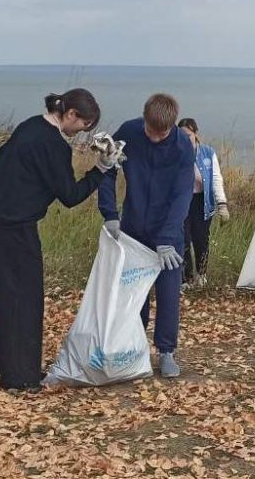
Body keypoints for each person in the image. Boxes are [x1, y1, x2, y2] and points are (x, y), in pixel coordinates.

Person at [0, 89, 121, 392]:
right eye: (82, 125)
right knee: (25, 293)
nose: (81, 133)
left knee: (6, 289)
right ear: (71, 114)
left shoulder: (31, 125)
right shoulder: (52, 145)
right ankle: (20, 376)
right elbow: (70, 196)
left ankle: (9, 364)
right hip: (15, 223)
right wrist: (101, 170)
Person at [98, 94, 195, 378]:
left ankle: (166, 351)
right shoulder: (129, 132)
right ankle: (135, 345)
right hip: (133, 228)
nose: (154, 138)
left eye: (161, 133)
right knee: (134, 292)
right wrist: (110, 213)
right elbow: (106, 168)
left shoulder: (182, 147)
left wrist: (167, 236)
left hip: (169, 234)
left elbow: (182, 194)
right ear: (144, 120)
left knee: (168, 293)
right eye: (150, 131)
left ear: (172, 126)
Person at [177, 118, 229, 289]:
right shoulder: (173, 153)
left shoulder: (207, 153)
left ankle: (201, 274)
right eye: (181, 136)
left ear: (196, 134)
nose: (185, 139)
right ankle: (185, 278)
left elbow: (215, 179)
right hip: (182, 202)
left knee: (201, 240)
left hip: (202, 202)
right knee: (183, 240)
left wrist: (222, 204)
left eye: (189, 135)